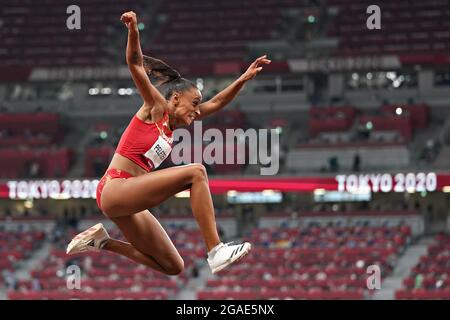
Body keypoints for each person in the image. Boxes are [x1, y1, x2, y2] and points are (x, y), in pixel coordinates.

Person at [66, 11, 271, 275]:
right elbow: (136, 65)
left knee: (173, 266)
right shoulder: (157, 108)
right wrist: (133, 32)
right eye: (194, 103)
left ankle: (102, 241)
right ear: (175, 98)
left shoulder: (172, 124)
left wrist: (242, 79)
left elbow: (217, 103)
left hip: (129, 199)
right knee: (196, 172)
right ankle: (215, 249)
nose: (198, 111)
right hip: (115, 188)